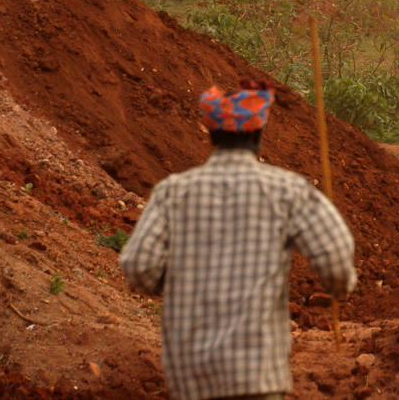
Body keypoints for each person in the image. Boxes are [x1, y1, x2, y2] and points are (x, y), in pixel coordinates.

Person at [121, 80, 357, 400]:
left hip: (190, 373)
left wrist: (174, 283)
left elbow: (138, 265)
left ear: (211, 134)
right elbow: (334, 256)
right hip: (257, 370)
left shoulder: (172, 192)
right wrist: (338, 288)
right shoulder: (288, 190)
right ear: (258, 134)